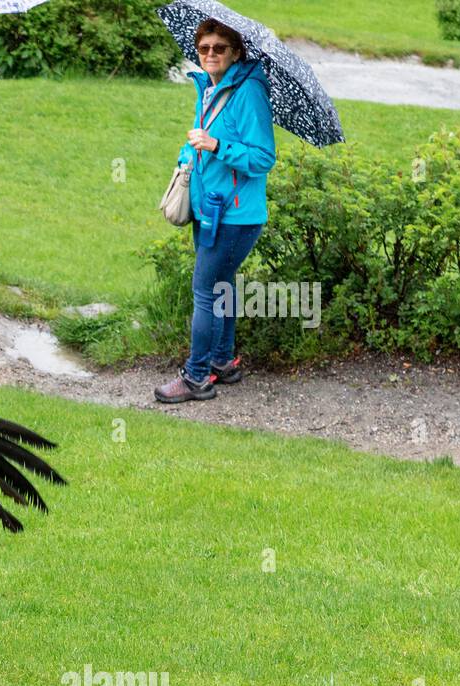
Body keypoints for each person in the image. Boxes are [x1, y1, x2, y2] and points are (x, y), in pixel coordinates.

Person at [155, 18, 276, 403]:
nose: (210, 55)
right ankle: (222, 361)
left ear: (236, 52)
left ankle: (196, 377)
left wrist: (217, 145)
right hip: (210, 207)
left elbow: (263, 158)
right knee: (222, 285)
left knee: (205, 290)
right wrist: (186, 158)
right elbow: (196, 136)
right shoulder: (208, 87)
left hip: (237, 215)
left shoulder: (248, 93)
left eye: (219, 48)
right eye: (204, 48)